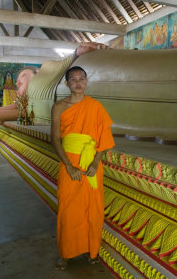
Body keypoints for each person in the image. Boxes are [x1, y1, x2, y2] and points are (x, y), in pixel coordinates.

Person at [50, 66, 115, 270]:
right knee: (68, 210)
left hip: (91, 164)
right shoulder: (59, 107)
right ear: (67, 83)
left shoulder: (96, 107)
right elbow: (55, 139)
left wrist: (96, 162)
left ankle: (91, 250)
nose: (78, 83)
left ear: (86, 81)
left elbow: (103, 138)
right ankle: (66, 253)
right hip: (69, 162)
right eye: (73, 79)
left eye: (81, 79)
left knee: (92, 209)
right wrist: (68, 166)